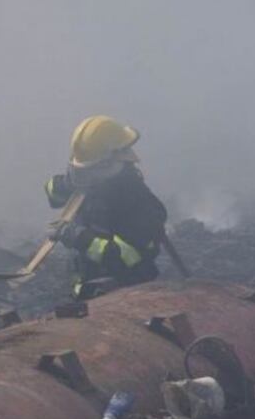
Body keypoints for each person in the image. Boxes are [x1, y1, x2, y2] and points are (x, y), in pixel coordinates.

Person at [45, 115, 168, 299]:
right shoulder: (94, 184)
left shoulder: (138, 203)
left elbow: (123, 258)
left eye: (89, 171)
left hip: (128, 293)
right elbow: (52, 193)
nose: (85, 176)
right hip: (87, 290)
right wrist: (67, 183)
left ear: (109, 163)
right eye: (81, 170)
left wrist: (80, 238)